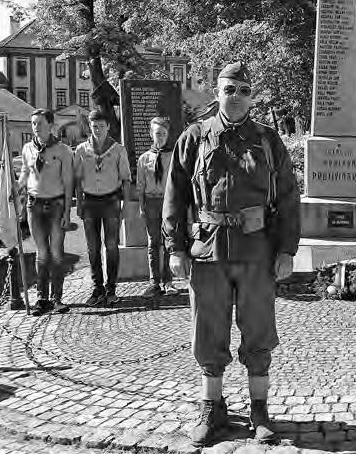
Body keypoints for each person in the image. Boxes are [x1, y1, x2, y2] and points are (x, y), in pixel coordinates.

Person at [162, 62, 300, 446]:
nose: (235, 96)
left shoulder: (268, 141)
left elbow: (288, 198)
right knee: (208, 329)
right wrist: (175, 247)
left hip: (257, 249)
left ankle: (259, 409)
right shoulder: (195, 137)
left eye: (243, 90)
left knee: (258, 328)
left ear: (251, 96)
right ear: (217, 92)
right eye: (229, 89)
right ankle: (212, 407)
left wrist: (287, 249)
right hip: (208, 248)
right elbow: (175, 195)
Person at [17, 109, 74, 316]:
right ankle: (42, 299)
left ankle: (56, 298)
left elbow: (69, 183)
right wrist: (16, 188)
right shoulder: (27, 149)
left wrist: (68, 212)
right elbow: (25, 173)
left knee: (57, 253)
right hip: (34, 205)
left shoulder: (64, 150)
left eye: (40, 123)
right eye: (33, 123)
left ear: (51, 125)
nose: (36, 127)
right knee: (41, 253)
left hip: (56, 206)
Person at [74, 109, 132, 306]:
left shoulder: (118, 150)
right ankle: (97, 287)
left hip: (111, 201)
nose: (97, 130)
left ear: (108, 126)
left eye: (101, 126)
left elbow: (125, 180)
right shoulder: (81, 150)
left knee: (112, 246)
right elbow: (77, 179)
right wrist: (79, 203)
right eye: (94, 126)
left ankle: (111, 288)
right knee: (92, 248)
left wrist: (124, 206)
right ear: (89, 127)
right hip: (90, 202)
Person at [137, 117, 175, 298]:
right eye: (157, 133)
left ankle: (169, 281)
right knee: (153, 243)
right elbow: (140, 185)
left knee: (169, 241)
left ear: (168, 135)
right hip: (151, 202)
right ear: (151, 134)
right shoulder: (144, 158)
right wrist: (142, 206)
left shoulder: (174, 156)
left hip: (168, 202)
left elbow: (176, 183)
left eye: (163, 134)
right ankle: (154, 282)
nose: (160, 137)